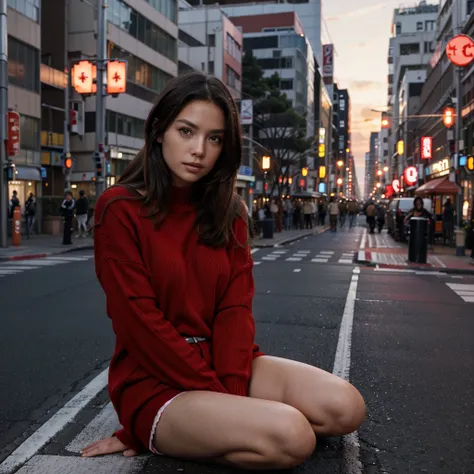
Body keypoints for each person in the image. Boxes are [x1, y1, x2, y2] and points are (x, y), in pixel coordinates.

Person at [82, 73, 365, 470]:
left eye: (214, 138)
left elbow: (235, 311)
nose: (198, 149)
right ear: (160, 130)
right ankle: (177, 429)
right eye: (186, 131)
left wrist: (229, 393)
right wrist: (225, 399)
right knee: (293, 436)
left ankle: (227, 428)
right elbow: (138, 322)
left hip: (224, 359)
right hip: (152, 375)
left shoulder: (229, 212)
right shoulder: (119, 208)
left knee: (345, 407)